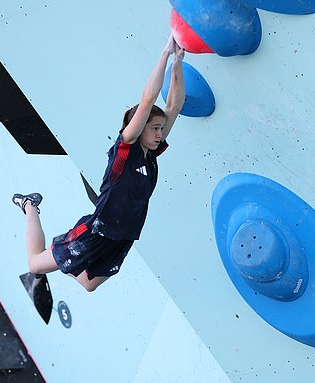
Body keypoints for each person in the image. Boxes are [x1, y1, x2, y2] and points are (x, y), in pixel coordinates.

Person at [12, 34, 185, 292]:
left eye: (161, 129)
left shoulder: (151, 153)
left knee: (88, 285)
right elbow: (148, 100)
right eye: (155, 129)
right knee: (35, 265)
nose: (160, 134)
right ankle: (29, 205)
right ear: (137, 128)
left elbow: (174, 105)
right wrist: (165, 54)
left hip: (124, 236)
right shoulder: (125, 152)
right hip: (97, 232)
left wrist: (178, 62)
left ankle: (62, 251)